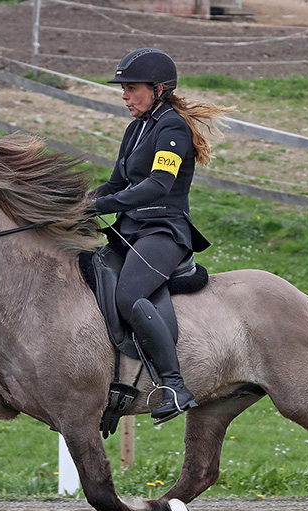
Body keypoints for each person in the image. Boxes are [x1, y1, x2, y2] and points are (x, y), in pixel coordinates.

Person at [87, 48, 232, 424]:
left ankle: (173, 385)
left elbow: (158, 184)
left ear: (159, 89)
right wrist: (79, 203)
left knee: (130, 295)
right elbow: (116, 182)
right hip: (131, 230)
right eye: (123, 89)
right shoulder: (136, 128)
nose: (124, 95)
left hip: (164, 231)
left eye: (131, 88)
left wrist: (106, 205)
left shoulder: (172, 127)